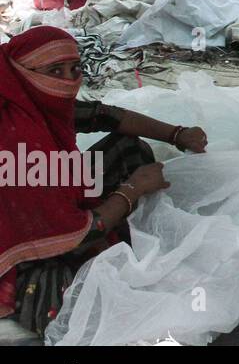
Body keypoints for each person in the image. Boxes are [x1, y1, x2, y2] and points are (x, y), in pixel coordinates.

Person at [1, 26, 207, 338]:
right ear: (20, 71)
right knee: (59, 297)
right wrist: (133, 189)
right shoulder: (15, 139)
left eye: (75, 69)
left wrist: (176, 134)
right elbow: (75, 235)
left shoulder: (26, 95)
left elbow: (104, 115)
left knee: (128, 149)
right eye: (55, 70)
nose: (69, 81)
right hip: (17, 250)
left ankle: (123, 244)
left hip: (49, 210)